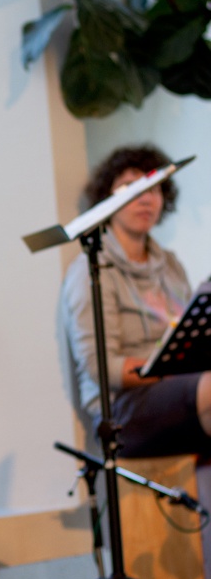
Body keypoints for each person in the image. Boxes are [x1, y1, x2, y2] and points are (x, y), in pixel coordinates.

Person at [61, 145, 211, 461]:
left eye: (154, 188)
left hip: (180, 387)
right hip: (122, 408)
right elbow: (100, 366)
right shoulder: (91, 269)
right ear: (107, 199)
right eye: (131, 187)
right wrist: (168, 371)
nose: (145, 198)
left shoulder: (170, 265)